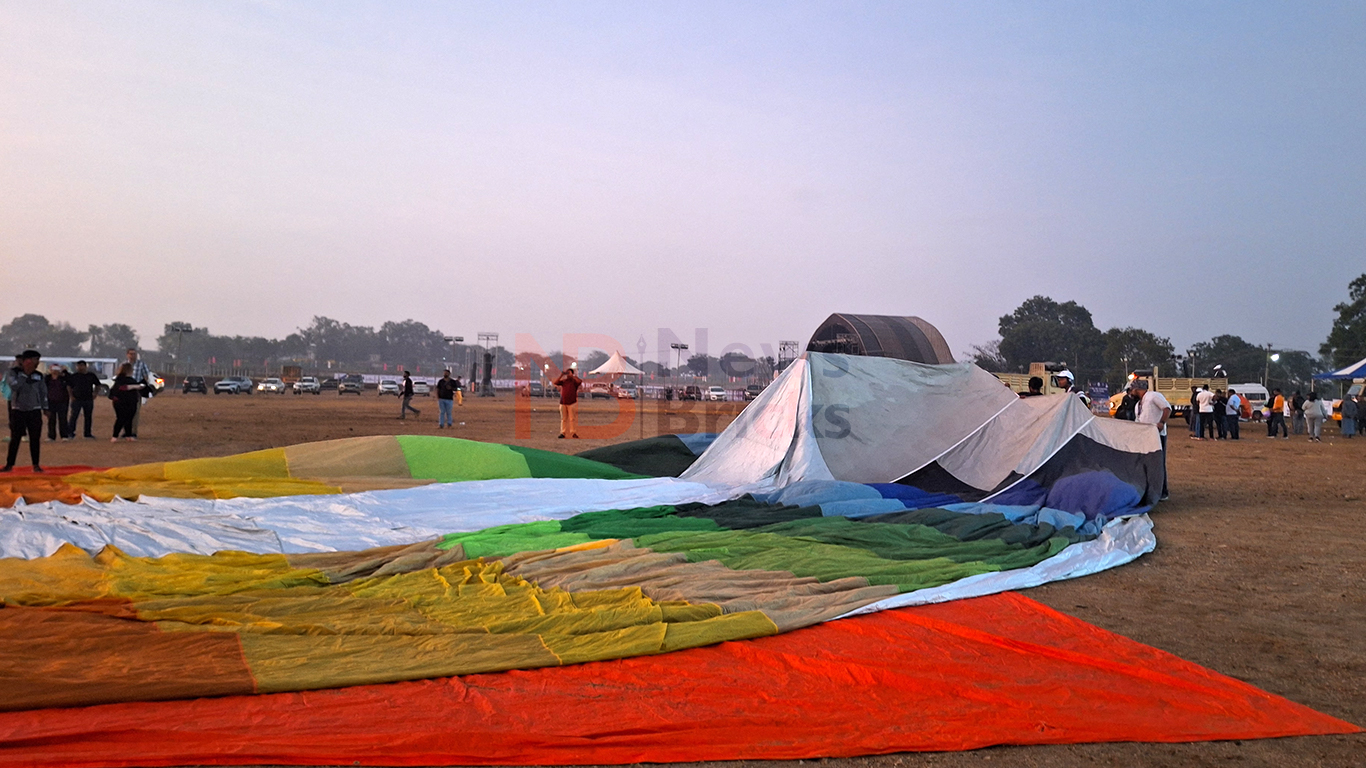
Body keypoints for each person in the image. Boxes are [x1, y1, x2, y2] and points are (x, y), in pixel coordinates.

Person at [4, 350, 48, 472]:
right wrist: (25, 375)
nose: (37, 362)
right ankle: (9, 465)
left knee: (35, 438)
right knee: (15, 438)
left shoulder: (39, 375)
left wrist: (45, 407)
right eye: (35, 360)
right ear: (27, 361)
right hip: (18, 410)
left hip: (34, 410)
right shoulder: (13, 373)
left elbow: (43, 392)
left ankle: (36, 465)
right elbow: (14, 386)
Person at [1132, 379, 1171, 501]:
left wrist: (1161, 423)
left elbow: (1167, 408)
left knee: (1157, 463)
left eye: (1132, 390)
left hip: (1156, 435)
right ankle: (1149, 489)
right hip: (1144, 437)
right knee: (1145, 463)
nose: (1131, 392)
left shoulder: (1153, 396)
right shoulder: (1138, 404)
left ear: (1137, 389)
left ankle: (1163, 492)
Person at [109, 362, 145, 441]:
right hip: (124, 402)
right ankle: (115, 436)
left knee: (127, 419)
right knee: (122, 418)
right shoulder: (124, 380)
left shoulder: (119, 379)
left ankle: (127, 435)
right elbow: (123, 388)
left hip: (125, 402)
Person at [66, 360, 100, 439]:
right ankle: (70, 432)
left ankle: (87, 433)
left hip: (88, 399)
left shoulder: (91, 375)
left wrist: (95, 393)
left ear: (85, 366)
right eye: (78, 366)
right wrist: (71, 396)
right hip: (76, 399)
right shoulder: (74, 376)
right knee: (74, 416)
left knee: (88, 416)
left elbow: (98, 385)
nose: (80, 368)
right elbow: (69, 386)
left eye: (82, 366)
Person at [125, 348, 151, 437]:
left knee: (135, 412)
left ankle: (133, 432)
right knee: (125, 412)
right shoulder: (124, 365)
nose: (133, 356)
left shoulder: (141, 365)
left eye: (134, 354)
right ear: (127, 355)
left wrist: (144, 388)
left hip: (137, 391)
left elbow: (146, 376)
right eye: (131, 354)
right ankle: (126, 431)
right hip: (126, 391)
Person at [44, 364, 72, 441]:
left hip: (62, 402)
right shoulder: (47, 378)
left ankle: (64, 436)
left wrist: (65, 372)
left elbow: (71, 380)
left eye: (57, 369)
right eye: (53, 369)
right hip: (50, 401)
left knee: (63, 419)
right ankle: (51, 436)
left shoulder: (63, 378)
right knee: (51, 420)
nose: (55, 371)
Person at [554, 366, 583, 439]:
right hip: (563, 402)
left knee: (572, 418)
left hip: (572, 402)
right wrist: (561, 375)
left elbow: (580, 381)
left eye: (569, 373)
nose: (567, 375)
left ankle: (573, 432)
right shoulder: (564, 381)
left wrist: (572, 376)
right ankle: (562, 432)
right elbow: (556, 382)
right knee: (563, 419)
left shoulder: (574, 382)